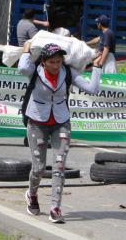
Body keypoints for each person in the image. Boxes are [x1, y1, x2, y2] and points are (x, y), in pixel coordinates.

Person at [18, 41, 102, 223]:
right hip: (37, 122)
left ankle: (55, 208)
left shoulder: (68, 73)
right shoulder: (35, 71)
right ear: (44, 62)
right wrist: (26, 49)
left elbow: (93, 89)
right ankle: (32, 194)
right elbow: (22, 68)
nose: (56, 65)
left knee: (59, 166)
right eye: (52, 62)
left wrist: (97, 66)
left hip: (61, 122)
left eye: (58, 61)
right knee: (39, 168)